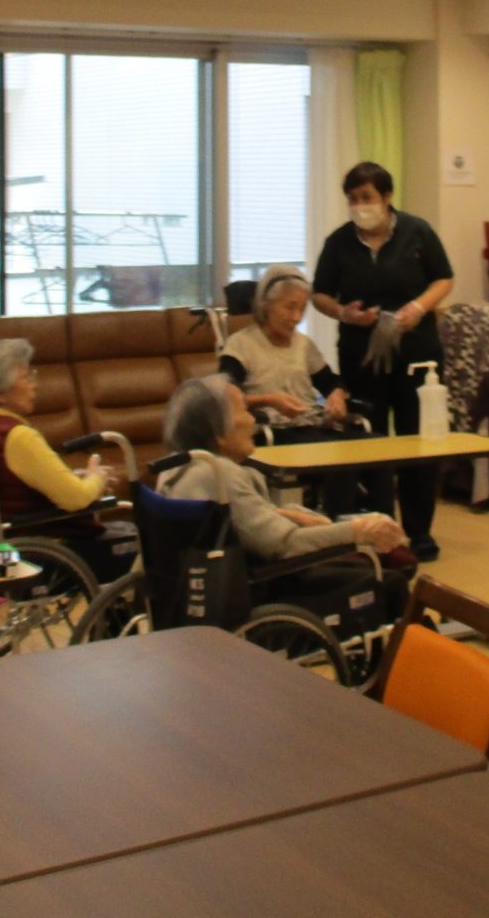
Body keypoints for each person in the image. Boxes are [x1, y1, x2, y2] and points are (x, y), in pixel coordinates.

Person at [158, 376, 409, 615]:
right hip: (260, 589)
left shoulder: (178, 468)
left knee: (359, 564)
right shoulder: (219, 474)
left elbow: (237, 518)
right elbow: (287, 545)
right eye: (244, 410)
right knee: (389, 580)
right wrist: (359, 531)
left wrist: (288, 514)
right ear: (219, 433)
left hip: (207, 589)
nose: (253, 420)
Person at [311, 163, 454, 560]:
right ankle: (380, 530)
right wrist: (344, 313)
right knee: (370, 442)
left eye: (368, 198)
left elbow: (444, 278)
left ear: (387, 197)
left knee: (417, 442)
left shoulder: (417, 232)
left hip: (416, 354)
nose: (361, 206)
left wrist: (418, 307)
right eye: (353, 199)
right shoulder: (339, 242)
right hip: (361, 354)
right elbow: (319, 294)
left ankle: (420, 532)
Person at [0, 337, 137, 581]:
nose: (35, 385)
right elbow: (76, 499)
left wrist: (76, 478)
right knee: (139, 536)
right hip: (45, 549)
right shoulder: (18, 437)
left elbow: (10, 484)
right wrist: (98, 478)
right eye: (26, 377)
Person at [218, 266, 366, 516]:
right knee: (340, 457)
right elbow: (224, 395)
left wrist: (336, 395)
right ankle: (337, 530)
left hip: (312, 425)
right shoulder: (241, 345)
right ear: (266, 305)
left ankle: (386, 530)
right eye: (290, 307)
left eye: (302, 309)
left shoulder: (303, 344)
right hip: (273, 430)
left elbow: (331, 381)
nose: (297, 317)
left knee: (378, 451)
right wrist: (269, 400)